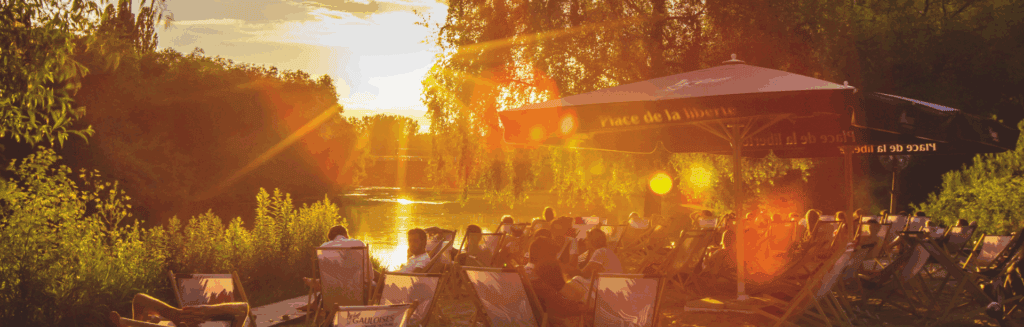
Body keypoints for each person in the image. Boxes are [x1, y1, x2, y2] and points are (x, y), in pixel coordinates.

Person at [110, 293, 249, 327]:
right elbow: (243, 308)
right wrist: (206, 311)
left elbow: (242, 309)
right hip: (185, 320)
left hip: (185, 321)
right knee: (139, 298)